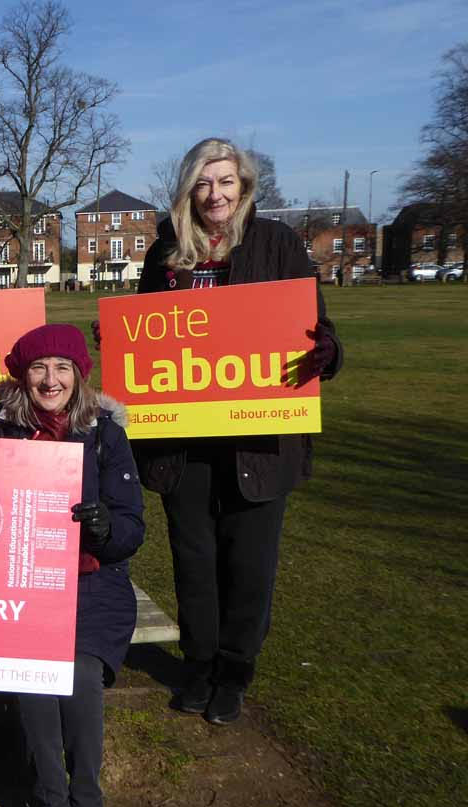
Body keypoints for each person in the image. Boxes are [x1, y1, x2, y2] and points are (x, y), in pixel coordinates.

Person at [133, 138, 343, 725]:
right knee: (193, 560)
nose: (215, 194)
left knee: (249, 564)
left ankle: (235, 668)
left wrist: (327, 349)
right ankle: (199, 664)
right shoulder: (167, 254)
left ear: (244, 187)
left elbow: (317, 326)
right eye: (203, 183)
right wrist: (127, 348)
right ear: (188, 190)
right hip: (185, 441)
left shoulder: (276, 244)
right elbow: (146, 331)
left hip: (259, 440)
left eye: (225, 181)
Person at [0, 324, 144, 807]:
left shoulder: (105, 435)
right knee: (34, 678)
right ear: (22, 376)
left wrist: (103, 529)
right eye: (40, 368)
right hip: (20, 585)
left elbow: (131, 528)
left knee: (80, 675)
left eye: (63, 368)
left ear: (80, 376)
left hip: (92, 585)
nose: (51, 380)